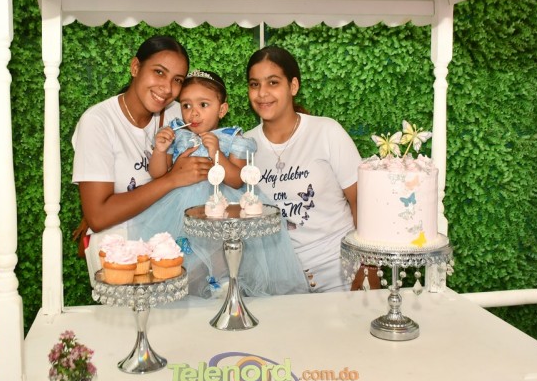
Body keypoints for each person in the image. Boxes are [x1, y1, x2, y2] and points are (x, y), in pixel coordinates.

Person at [136, 69, 308, 297]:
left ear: (222, 109)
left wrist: (217, 152)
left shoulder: (231, 138)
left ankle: (223, 287)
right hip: (180, 208)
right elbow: (158, 173)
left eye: (203, 105)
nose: (193, 113)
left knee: (220, 249)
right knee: (185, 255)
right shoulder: (178, 135)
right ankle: (191, 293)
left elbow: (236, 181)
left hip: (222, 205)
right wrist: (160, 150)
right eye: (186, 105)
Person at [71, 35, 212, 282]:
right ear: (135, 67)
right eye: (159, 72)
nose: (167, 88)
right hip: (119, 252)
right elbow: (98, 216)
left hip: (169, 246)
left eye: (177, 80)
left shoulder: (178, 114)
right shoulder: (98, 122)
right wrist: (172, 179)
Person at [246, 46, 363, 292]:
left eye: (273, 82)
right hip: (279, 281)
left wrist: (368, 266)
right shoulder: (245, 146)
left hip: (339, 271)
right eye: (254, 84)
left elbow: (360, 201)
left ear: (293, 86)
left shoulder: (326, 132)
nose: (262, 93)